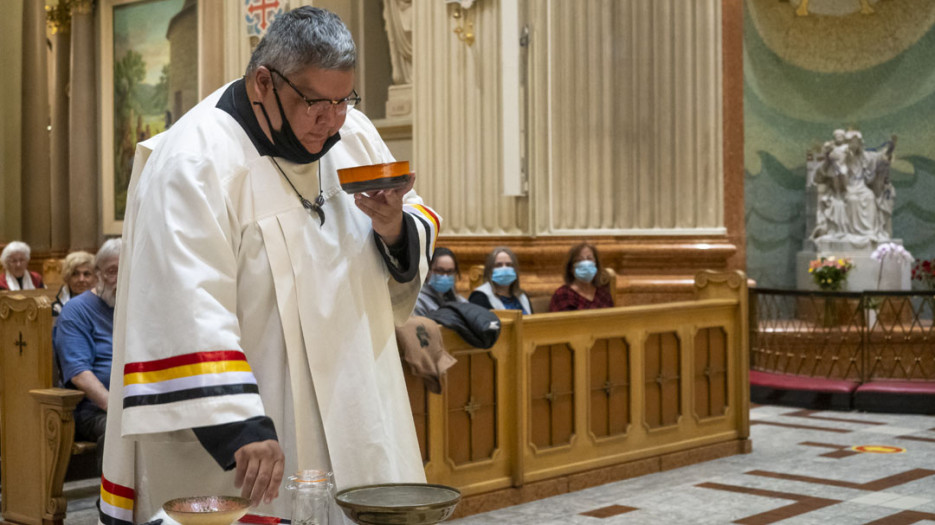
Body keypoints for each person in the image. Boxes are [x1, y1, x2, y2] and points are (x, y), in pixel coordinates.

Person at [100, 7, 440, 523]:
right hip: (258, 431)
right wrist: (238, 422)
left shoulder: (353, 135)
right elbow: (182, 296)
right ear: (264, 81)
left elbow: (416, 215)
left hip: (357, 407)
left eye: (343, 100)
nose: (332, 121)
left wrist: (394, 226)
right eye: (315, 104)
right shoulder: (194, 160)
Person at [53, 239, 121, 475]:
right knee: (121, 430)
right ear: (98, 274)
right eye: (112, 271)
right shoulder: (76, 311)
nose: (119, 279)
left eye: (126, 271)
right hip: (94, 409)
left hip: (136, 402)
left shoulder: (135, 308)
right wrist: (116, 408)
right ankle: (113, 508)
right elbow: (79, 373)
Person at [549, 243, 614, 312]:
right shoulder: (563, 295)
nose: (586, 263)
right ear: (571, 268)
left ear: (596, 265)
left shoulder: (603, 295)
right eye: (579, 260)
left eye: (589, 259)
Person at [469, 247, 532, 314]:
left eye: (509, 265)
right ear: (489, 271)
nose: (504, 268)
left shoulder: (522, 296)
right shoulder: (479, 297)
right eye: (498, 265)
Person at [413, 247, 467, 316]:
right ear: (427, 272)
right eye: (440, 271)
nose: (445, 276)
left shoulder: (460, 301)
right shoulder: (417, 302)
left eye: (450, 272)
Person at [52, 250, 96, 317]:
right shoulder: (56, 309)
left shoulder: (105, 306)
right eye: (75, 274)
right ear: (67, 277)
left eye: (86, 274)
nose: (81, 279)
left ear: (95, 278)